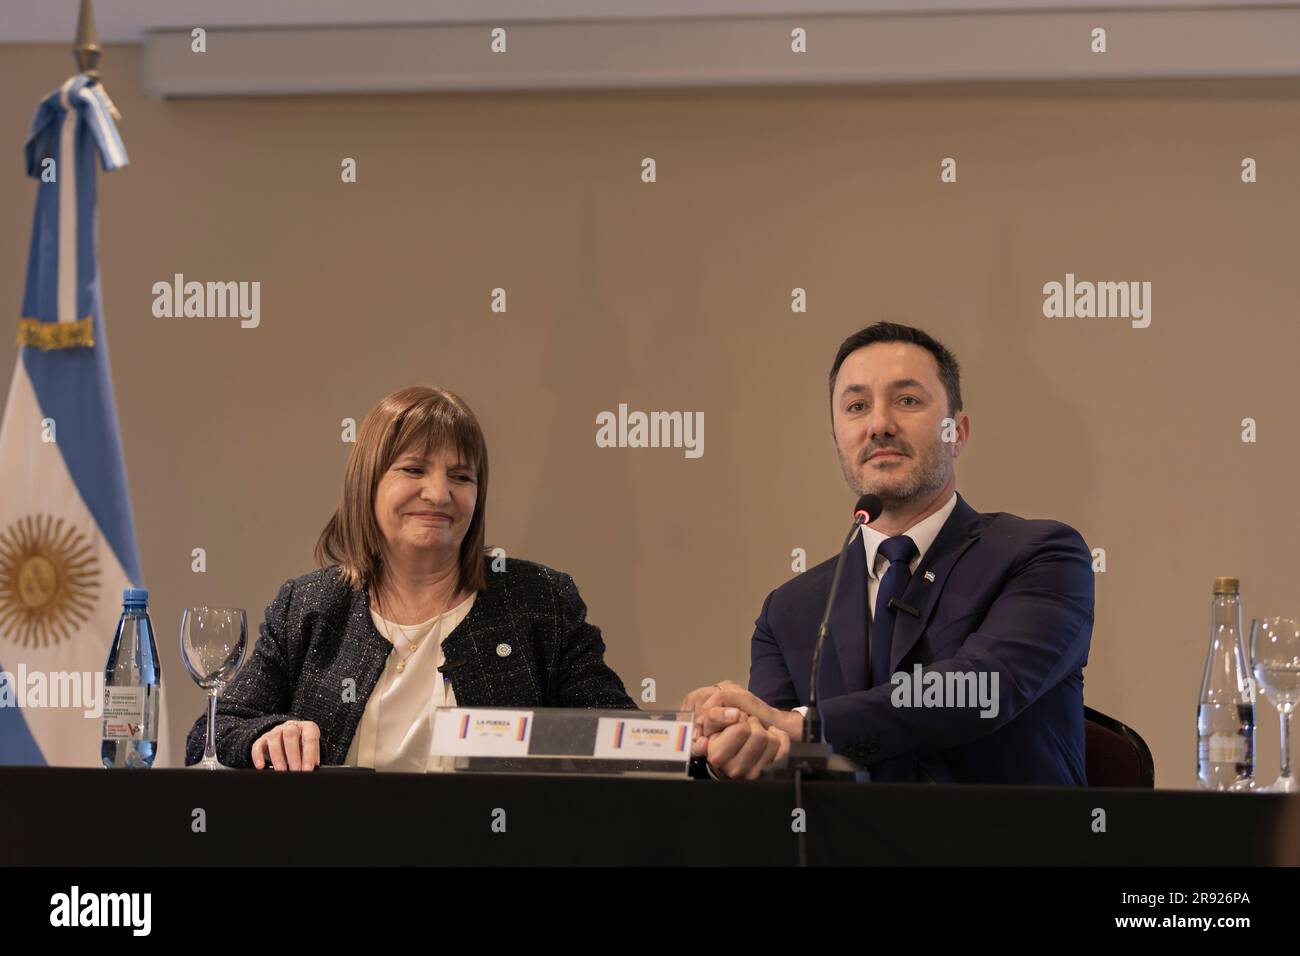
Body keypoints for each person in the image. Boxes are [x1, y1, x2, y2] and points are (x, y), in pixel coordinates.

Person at [683, 322, 1094, 784]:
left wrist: (804, 726)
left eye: (907, 400)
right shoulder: (790, 611)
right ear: (838, 437)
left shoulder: (1039, 556)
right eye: (857, 407)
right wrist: (733, 747)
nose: (879, 425)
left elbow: (982, 687)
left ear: (956, 432)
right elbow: (778, 760)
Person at [184, 385, 635, 771]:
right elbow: (211, 732)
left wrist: (699, 746)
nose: (439, 494)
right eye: (414, 469)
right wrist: (268, 733)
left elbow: (619, 738)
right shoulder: (307, 607)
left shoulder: (539, 601)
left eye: (460, 476)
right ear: (369, 482)